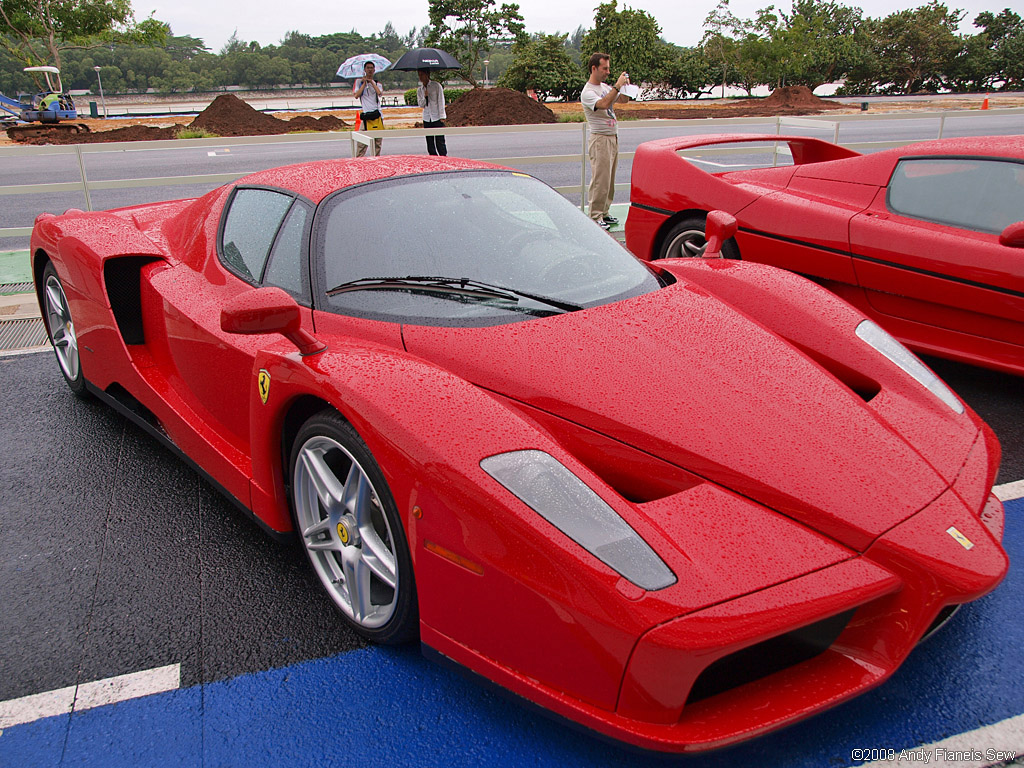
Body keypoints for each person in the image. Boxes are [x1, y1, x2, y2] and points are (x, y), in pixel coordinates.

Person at [581, 52, 631, 229]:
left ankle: (605, 212)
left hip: (612, 137)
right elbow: (602, 104)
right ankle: (595, 215)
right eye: (604, 68)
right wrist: (616, 86)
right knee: (600, 179)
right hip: (600, 139)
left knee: (609, 180)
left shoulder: (604, 87)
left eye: (609, 68)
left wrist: (624, 87)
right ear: (594, 68)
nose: (608, 72)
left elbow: (622, 100)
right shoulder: (588, 92)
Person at [353, 61, 384, 157]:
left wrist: (371, 82)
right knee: (361, 144)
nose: (370, 70)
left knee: (377, 143)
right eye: (368, 68)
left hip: (376, 115)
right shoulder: (359, 82)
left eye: (371, 68)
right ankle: (358, 161)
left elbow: (379, 93)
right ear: (365, 70)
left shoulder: (377, 83)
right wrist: (364, 83)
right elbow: (356, 95)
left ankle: (376, 160)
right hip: (366, 116)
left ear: (374, 70)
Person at [416, 69, 448, 156]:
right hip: (427, 118)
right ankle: (433, 159)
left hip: (436, 117)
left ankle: (443, 158)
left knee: (440, 141)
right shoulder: (420, 90)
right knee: (430, 143)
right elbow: (421, 104)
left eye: (422, 74)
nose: (420, 77)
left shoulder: (436, 86)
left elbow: (441, 101)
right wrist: (425, 96)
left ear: (427, 74)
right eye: (419, 75)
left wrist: (442, 116)